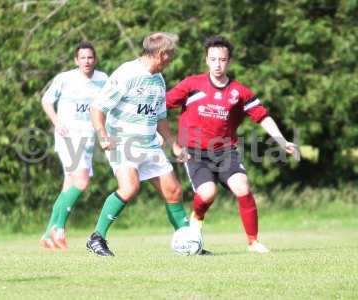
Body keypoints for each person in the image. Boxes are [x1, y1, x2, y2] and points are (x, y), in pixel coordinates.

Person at [166, 36, 299, 253]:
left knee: (242, 186)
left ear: (229, 61)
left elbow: (262, 116)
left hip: (225, 151)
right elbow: (161, 106)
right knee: (207, 193)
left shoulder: (239, 92)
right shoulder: (192, 85)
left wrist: (281, 140)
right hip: (195, 152)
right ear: (206, 60)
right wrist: (166, 137)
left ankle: (253, 242)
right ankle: (197, 217)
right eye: (213, 59)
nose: (217, 64)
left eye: (222, 60)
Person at [86, 32, 190, 257]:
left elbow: (160, 117)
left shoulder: (158, 79)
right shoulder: (127, 73)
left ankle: (189, 243)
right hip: (123, 141)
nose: (172, 60)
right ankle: (97, 237)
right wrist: (103, 135)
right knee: (130, 187)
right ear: (161, 54)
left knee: (173, 191)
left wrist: (173, 144)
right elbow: (97, 108)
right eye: (170, 55)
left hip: (149, 145)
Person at [39, 41, 108, 250]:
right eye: (82, 58)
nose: (87, 61)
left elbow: (107, 107)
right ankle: (58, 228)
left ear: (95, 59)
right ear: (76, 60)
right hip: (68, 136)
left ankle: (48, 235)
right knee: (82, 180)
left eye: (90, 57)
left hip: (88, 138)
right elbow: (46, 100)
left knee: (69, 184)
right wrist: (57, 122)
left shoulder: (103, 79)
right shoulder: (65, 78)